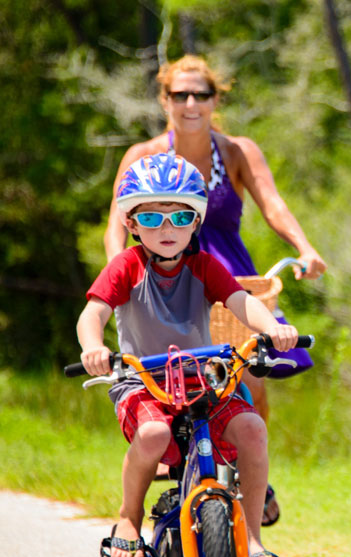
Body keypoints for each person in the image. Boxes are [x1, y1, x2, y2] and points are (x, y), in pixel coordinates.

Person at [104, 54, 327, 524]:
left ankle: (250, 476)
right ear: (165, 100)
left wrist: (305, 248)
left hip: (227, 275)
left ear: (215, 100)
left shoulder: (236, 151)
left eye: (200, 94)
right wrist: (119, 271)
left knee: (251, 372)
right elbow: (115, 226)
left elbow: (273, 203)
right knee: (169, 375)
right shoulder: (143, 156)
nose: (190, 103)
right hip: (163, 278)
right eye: (179, 94)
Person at [78, 153, 298, 557]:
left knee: (252, 427)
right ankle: (129, 515)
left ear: (196, 223)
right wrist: (93, 346)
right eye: (153, 218)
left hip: (202, 378)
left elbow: (241, 301)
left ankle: (252, 540)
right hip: (142, 379)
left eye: (180, 219)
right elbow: (94, 313)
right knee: (154, 433)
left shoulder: (204, 265)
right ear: (131, 223)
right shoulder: (126, 266)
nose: (167, 230)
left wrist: (272, 328)